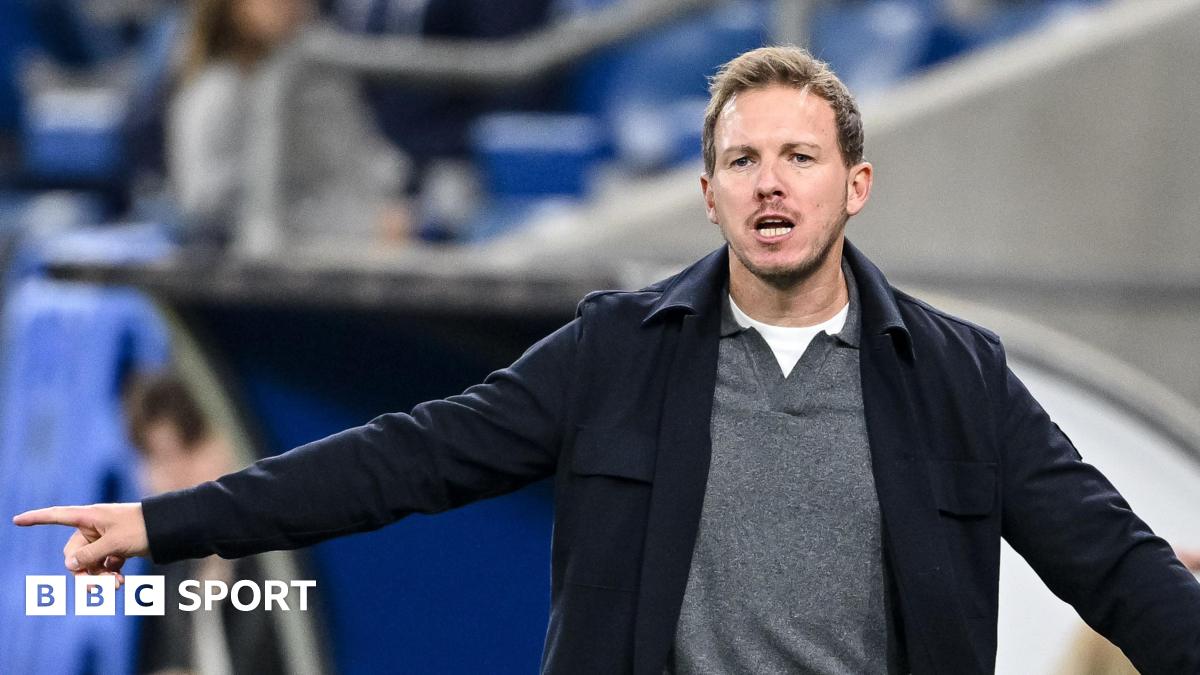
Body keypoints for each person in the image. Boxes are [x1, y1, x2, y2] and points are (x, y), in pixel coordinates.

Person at [14, 46, 1200, 674]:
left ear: (856, 185)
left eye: (800, 156)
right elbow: (408, 460)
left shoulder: (959, 379)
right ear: (707, 191)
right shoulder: (615, 354)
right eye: (744, 161)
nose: (772, 182)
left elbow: (1113, 566)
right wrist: (170, 523)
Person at [169, 0, 411, 246]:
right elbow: (213, 208)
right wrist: (363, 228)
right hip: (266, 266)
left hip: (353, 250)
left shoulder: (324, 78)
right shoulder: (216, 92)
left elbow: (367, 166)